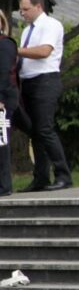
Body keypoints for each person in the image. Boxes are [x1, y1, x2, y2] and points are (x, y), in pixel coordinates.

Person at [14, 0, 72, 191]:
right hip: (28, 82)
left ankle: (63, 174)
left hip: (45, 81)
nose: (23, 14)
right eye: (21, 10)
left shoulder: (51, 25)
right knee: (35, 131)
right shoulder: (27, 30)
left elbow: (44, 51)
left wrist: (13, 49)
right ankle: (40, 177)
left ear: (39, 6)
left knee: (44, 129)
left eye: (26, 9)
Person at [0, 12, 19, 196]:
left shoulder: (5, 44)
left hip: (3, 101)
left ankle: (4, 185)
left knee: (1, 141)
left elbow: (5, 73)